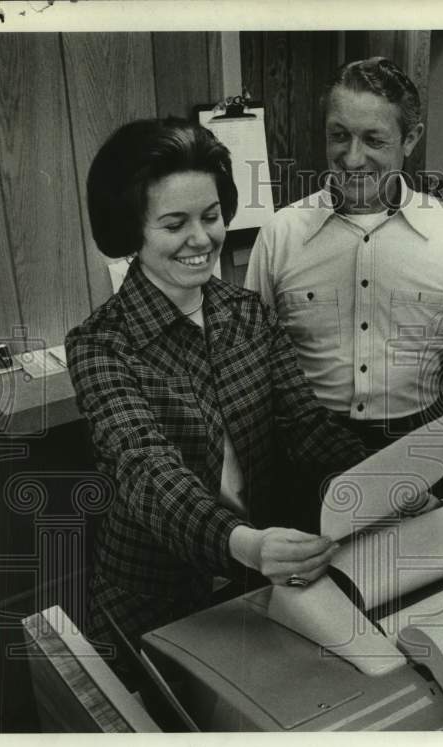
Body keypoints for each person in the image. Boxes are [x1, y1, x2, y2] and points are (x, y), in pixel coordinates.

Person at [66, 118, 368, 673]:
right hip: (155, 604)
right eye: (174, 224)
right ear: (131, 229)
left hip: (258, 585)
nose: (201, 239)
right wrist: (245, 542)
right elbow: (147, 472)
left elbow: (305, 426)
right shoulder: (100, 345)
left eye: (210, 217)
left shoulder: (246, 313)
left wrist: (386, 482)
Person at [245, 57, 443, 479]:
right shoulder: (280, 234)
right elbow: (252, 359)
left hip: (421, 443)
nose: (352, 158)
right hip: (307, 450)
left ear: (410, 139)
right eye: (339, 136)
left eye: (373, 140)